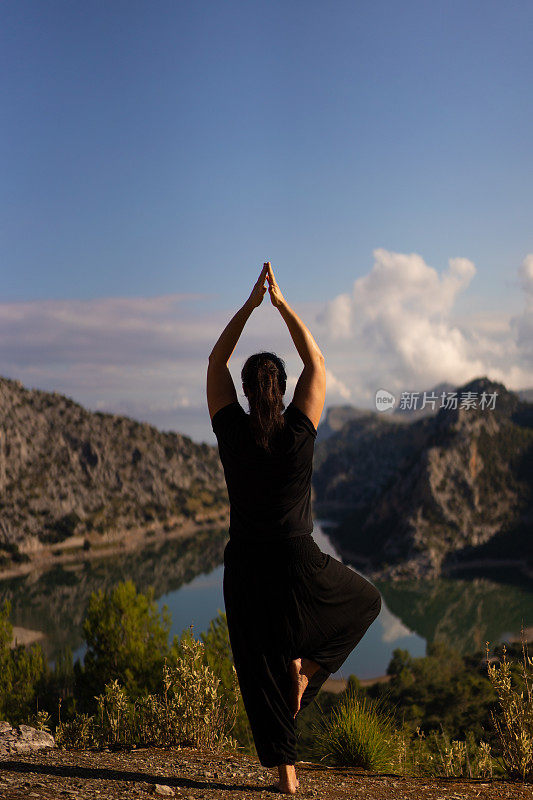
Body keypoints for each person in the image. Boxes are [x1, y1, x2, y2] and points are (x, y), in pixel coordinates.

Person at [206, 262, 382, 795]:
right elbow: (316, 359)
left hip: (246, 565)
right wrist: (279, 303)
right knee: (365, 602)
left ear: (244, 391)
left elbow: (216, 358)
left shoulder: (231, 431)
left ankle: (287, 775)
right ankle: (308, 670)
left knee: (260, 666)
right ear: (281, 391)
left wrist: (249, 305)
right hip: (297, 560)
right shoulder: (299, 432)